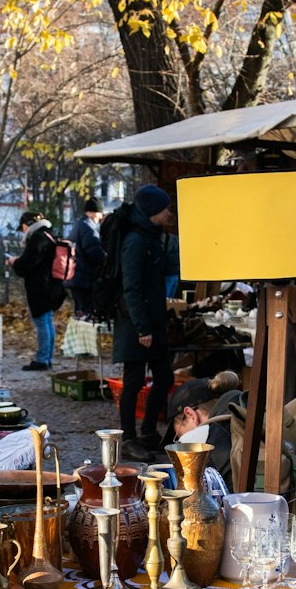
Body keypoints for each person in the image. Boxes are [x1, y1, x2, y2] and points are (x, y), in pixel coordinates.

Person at [113, 184, 175, 457]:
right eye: (165, 209)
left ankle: (148, 431)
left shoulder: (151, 236)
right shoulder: (135, 241)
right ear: (153, 211)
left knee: (164, 377)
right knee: (133, 381)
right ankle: (127, 439)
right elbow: (132, 287)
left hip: (153, 321)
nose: (168, 213)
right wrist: (142, 328)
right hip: (135, 324)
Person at [7, 211, 66, 371]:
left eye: (23, 227)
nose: (23, 230)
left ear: (29, 223)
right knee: (47, 322)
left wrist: (14, 262)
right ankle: (47, 358)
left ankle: (42, 359)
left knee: (42, 323)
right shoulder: (49, 234)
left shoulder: (38, 238)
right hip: (53, 285)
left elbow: (27, 263)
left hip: (41, 287)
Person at [168, 377, 235, 475]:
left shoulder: (203, 438)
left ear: (191, 415)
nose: (180, 441)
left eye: (179, 436)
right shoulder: (243, 414)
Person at [66, 197, 106, 317]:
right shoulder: (88, 229)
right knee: (85, 314)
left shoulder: (79, 225)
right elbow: (95, 253)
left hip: (76, 277)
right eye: (100, 213)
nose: (101, 217)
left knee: (79, 312)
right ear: (95, 212)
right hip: (84, 279)